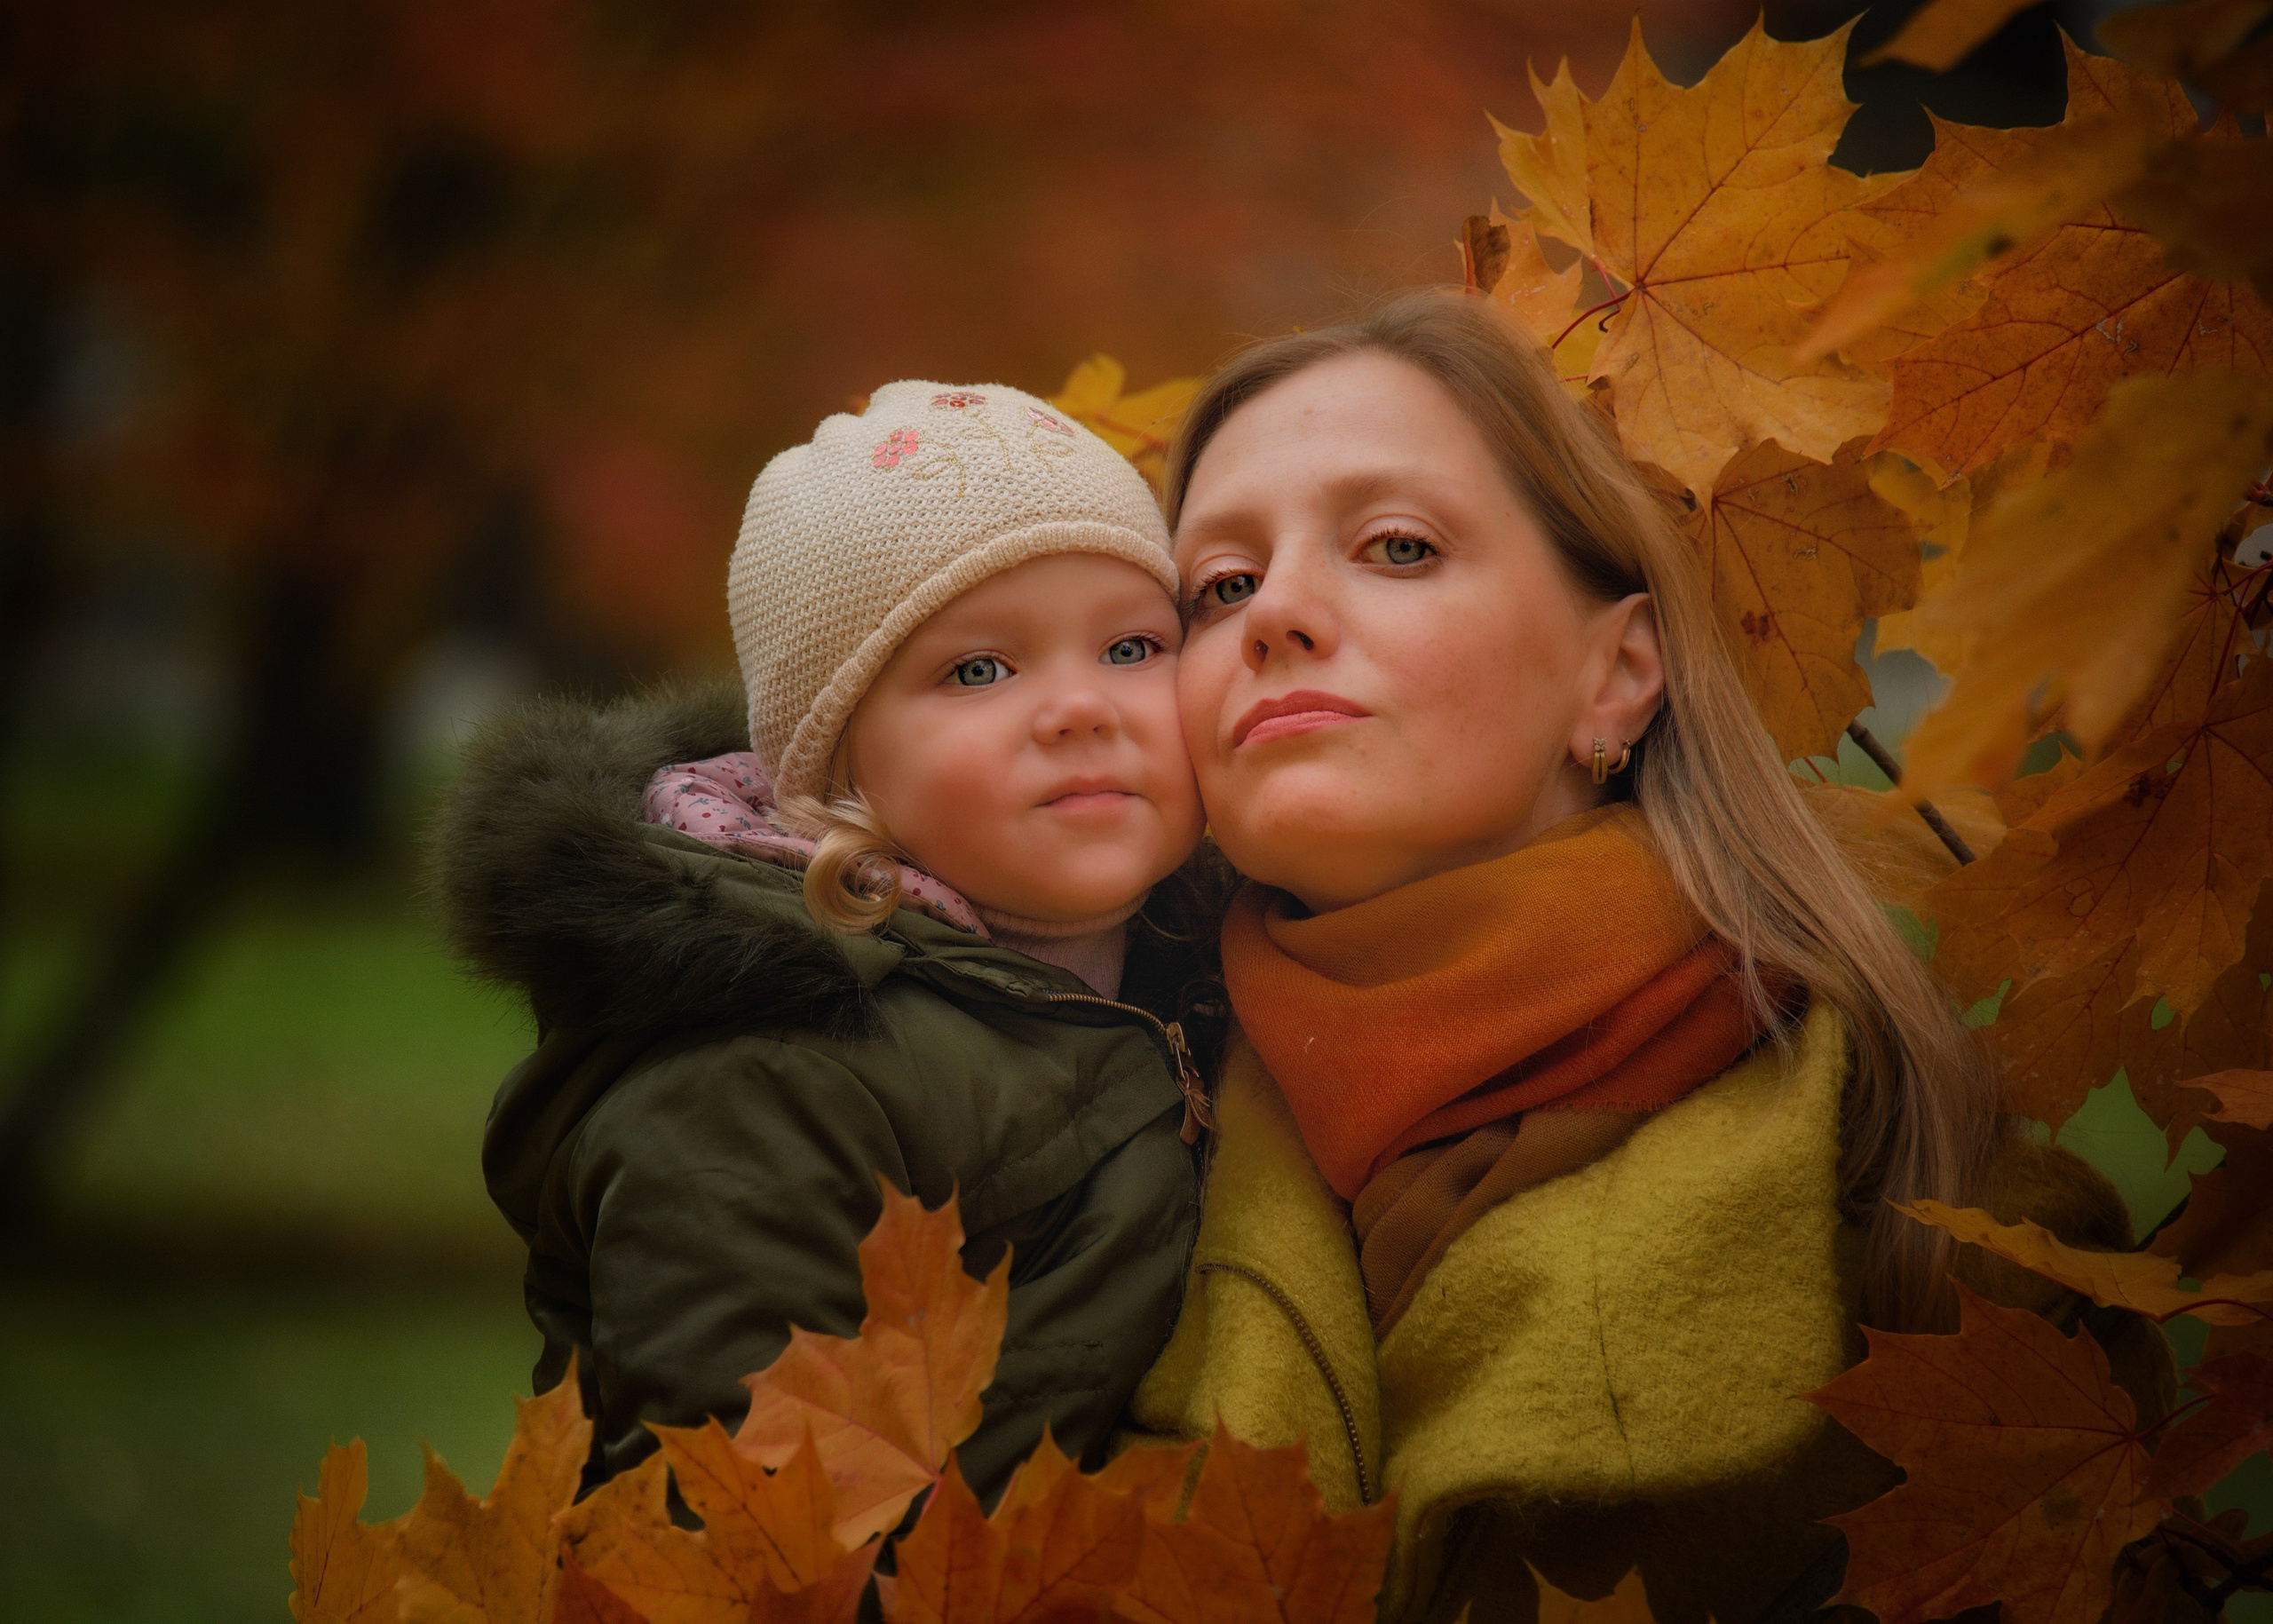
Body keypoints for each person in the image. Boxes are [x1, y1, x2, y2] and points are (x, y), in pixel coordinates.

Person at [1122, 292, 2173, 1624]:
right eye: (1219, 585)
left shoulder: (1934, 1207)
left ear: (1617, 674)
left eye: (1395, 546)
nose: (1273, 611)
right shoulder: (1078, 1146)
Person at [432, 380, 1226, 1501]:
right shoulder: (769, 1077)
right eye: (979, 669)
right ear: (833, 773)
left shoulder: (1211, 963)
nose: (1079, 707)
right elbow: (731, 1529)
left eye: (1134, 646)